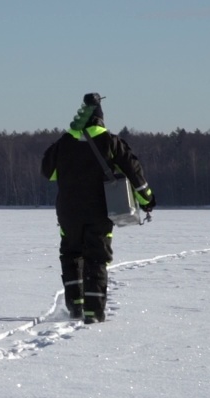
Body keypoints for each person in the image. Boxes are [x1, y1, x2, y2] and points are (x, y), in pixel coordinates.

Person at [40, 93, 155, 323]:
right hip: (99, 212)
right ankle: (93, 313)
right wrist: (147, 200)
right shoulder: (111, 143)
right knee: (96, 258)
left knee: (71, 255)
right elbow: (135, 174)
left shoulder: (63, 143)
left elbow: (48, 172)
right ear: (101, 119)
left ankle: (75, 308)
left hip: (68, 213)